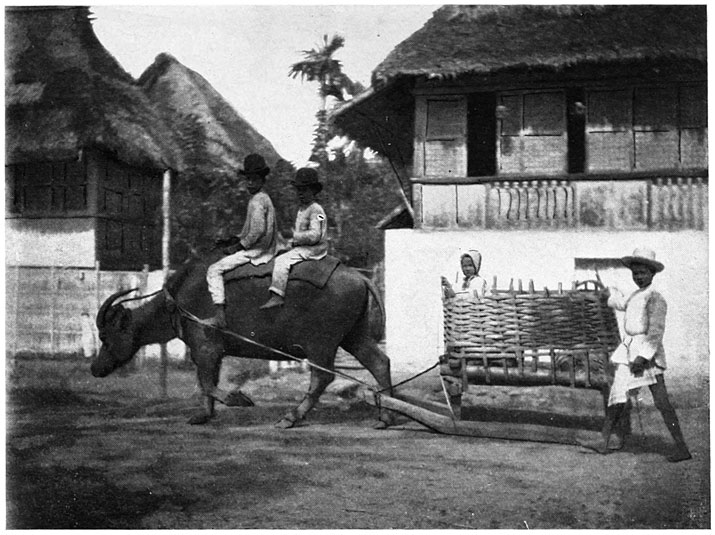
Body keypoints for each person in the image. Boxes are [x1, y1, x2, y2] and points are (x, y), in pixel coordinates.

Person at [579, 247, 691, 462]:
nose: (638, 277)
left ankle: (682, 447)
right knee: (617, 394)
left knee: (661, 402)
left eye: (643, 273)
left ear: (652, 273)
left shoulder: (656, 298)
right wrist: (609, 291)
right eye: (635, 273)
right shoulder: (634, 295)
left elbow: (656, 332)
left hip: (646, 355)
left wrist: (643, 357)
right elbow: (619, 303)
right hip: (628, 351)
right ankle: (603, 441)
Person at [205, 153, 280, 327]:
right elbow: (251, 230)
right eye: (248, 179)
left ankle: (219, 315)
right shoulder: (263, 198)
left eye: (255, 179)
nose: (250, 183)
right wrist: (232, 240)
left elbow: (257, 231)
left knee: (214, 270)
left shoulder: (257, 201)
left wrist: (238, 246)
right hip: (265, 248)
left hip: (258, 251)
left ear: (262, 180)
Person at [261, 167, 328, 309]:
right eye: (299, 190)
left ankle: (277, 295)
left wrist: (293, 236)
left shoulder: (316, 210)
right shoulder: (303, 209)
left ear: (314, 191)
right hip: (303, 246)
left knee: (281, 261)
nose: (301, 194)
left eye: (305, 190)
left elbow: (315, 235)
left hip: (314, 248)